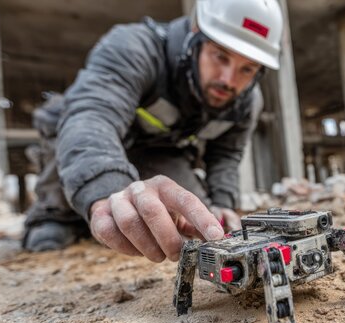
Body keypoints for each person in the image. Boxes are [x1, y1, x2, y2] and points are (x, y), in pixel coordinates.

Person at [22, 0, 283, 263]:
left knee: (191, 210)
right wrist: (105, 194)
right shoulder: (134, 47)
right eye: (220, 56)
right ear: (195, 36)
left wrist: (222, 202)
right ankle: (57, 213)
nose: (227, 80)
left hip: (156, 150)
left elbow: (227, 153)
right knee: (71, 134)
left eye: (246, 69)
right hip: (93, 144)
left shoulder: (247, 103)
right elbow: (92, 117)